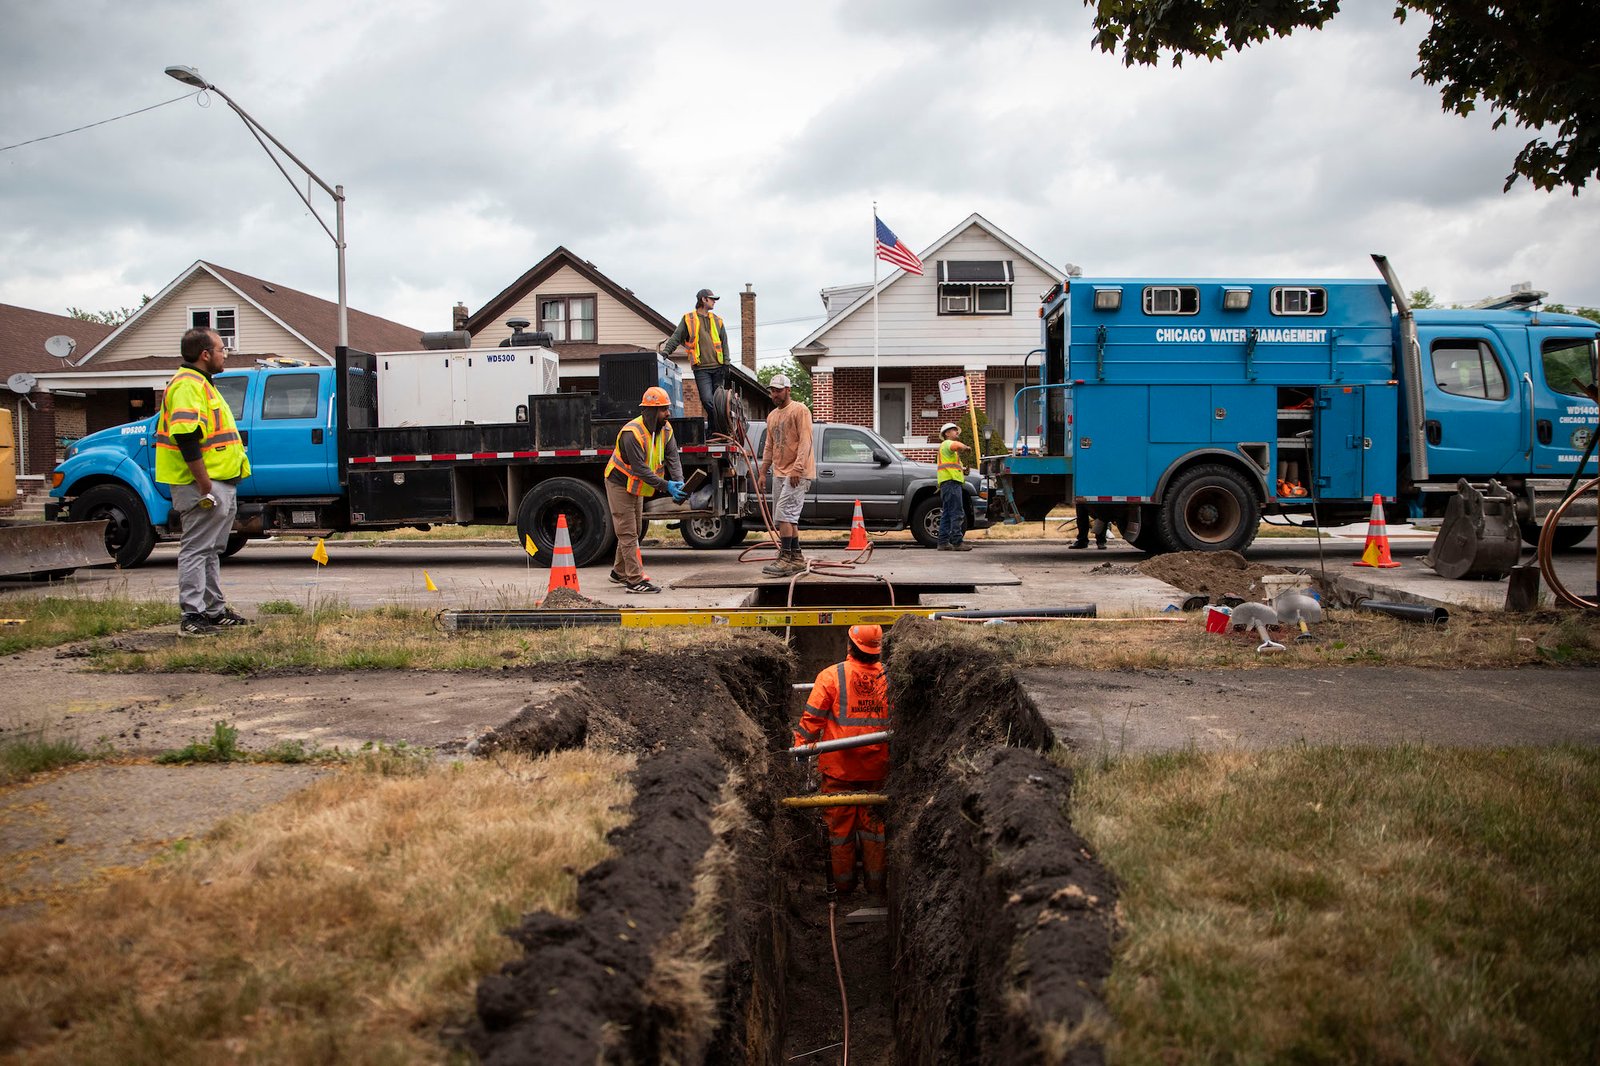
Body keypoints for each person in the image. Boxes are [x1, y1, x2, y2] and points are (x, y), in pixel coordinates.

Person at [155, 327, 252, 636]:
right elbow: (185, 436)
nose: (226, 355)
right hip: (202, 485)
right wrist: (205, 484)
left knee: (211, 549)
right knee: (197, 549)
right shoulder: (187, 385)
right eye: (222, 350)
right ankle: (192, 615)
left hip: (219, 481)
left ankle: (214, 610)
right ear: (205, 354)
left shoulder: (202, 384)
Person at [794, 624, 891, 898]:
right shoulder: (890, 678)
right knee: (875, 833)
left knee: (839, 834)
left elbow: (811, 720)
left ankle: (843, 889)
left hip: (839, 772)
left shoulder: (831, 676)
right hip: (877, 771)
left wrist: (800, 749)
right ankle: (876, 890)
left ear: (850, 645)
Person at [604, 386, 686, 593]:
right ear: (650, 411)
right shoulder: (632, 433)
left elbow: (673, 458)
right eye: (663, 409)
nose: (668, 413)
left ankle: (618, 572)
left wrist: (680, 482)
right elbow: (640, 468)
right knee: (628, 532)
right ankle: (633, 580)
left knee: (636, 530)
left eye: (667, 408)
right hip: (619, 483)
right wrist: (667, 486)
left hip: (637, 485)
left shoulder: (666, 429)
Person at [759, 373, 815, 576]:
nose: (774, 394)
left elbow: (805, 441)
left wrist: (797, 469)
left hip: (797, 473)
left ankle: (784, 558)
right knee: (789, 517)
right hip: (780, 471)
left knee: (784, 514)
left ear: (788, 390)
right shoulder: (772, 416)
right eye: (772, 390)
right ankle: (796, 557)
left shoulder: (800, 410)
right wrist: (763, 472)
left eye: (778, 390)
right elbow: (769, 445)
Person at [660, 288, 733, 437]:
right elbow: (676, 337)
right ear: (703, 299)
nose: (714, 302)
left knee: (718, 402)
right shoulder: (689, 319)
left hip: (718, 367)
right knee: (707, 400)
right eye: (712, 299)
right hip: (701, 369)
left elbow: (724, 342)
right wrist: (666, 352)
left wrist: (726, 363)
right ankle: (719, 428)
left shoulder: (717, 321)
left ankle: (715, 431)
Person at [935, 421, 972, 551]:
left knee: (947, 513)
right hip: (951, 483)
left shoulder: (948, 450)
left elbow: (953, 466)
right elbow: (957, 445)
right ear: (947, 433)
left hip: (947, 483)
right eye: (954, 430)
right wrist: (966, 447)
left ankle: (943, 542)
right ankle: (957, 542)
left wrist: (963, 470)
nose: (957, 432)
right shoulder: (947, 443)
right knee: (957, 512)